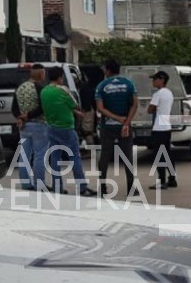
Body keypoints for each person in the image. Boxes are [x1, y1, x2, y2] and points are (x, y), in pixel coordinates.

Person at [41, 69, 97, 197]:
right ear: (60, 77)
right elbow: (75, 104)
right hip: (66, 127)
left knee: (55, 158)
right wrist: (77, 112)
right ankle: (82, 187)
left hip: (51, 127)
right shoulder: (63, 90)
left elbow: (57, 106)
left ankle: (57, 187)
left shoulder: (44, 91)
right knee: (74, 157)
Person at [94, 58, 140, 197]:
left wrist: (115, 118)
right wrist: (125, 122)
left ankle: (102, 188)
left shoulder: (101, 86)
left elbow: (100, 108)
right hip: (125, 126)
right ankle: (131, 188)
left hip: (107, 126)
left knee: (105, 155)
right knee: (127, 156)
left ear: (108, 70)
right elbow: (135, 104)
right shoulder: (129, 84)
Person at [13, 64, 48, 190]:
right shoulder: (39, 88)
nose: (44, 76)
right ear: (39, 74)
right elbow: (42, 108)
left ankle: (26, 184)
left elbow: (14, 108)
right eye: (43, 73)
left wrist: (20, 118)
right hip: (39, 125)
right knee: (39, 155)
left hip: (24, 127)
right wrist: (28, 116)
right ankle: (39, 184)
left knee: (24, 155)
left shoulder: (20, 88)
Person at [146, 71, 178, 190]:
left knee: (159, 155)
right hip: (167, 127)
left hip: (158, 128)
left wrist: (153, 107)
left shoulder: (158, 94)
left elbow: (150, 109)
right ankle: (172, 178)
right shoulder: (169, 93)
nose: (153, 81)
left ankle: (162, 181)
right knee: (168, 154)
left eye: (155, 79)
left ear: (162, 80)